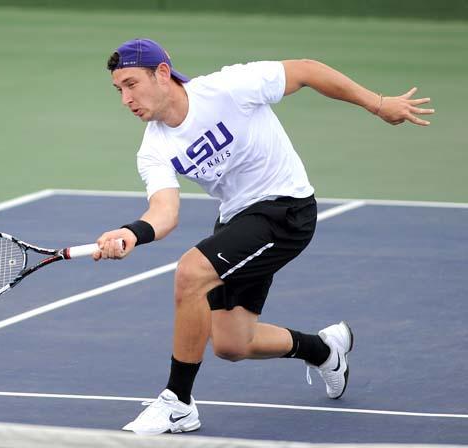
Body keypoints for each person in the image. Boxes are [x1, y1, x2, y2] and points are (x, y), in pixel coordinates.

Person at [92, 38, 434, 436]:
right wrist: (132, 233)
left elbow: (307, 69)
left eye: (131, 84)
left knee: (191, 273)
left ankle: (178, 403)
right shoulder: (154, 148)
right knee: (232, 344)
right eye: (119, 90)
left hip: (286, 208)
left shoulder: (228, 88)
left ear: (163, 73)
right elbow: (164, 213)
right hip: (239, 219)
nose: (125, 99)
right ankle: (323, 350)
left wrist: (377, 104)